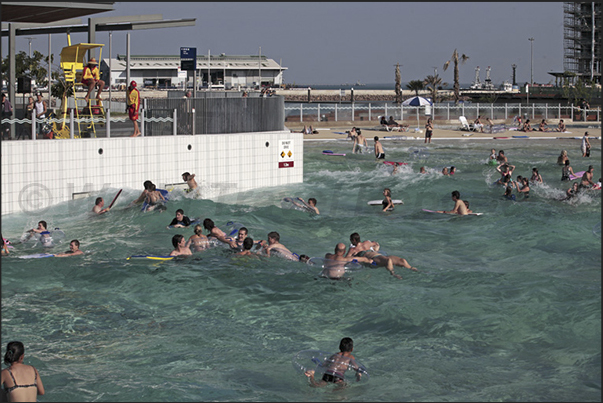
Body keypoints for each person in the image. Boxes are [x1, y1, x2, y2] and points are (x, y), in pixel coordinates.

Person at [346, 233, 417, 279]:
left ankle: (393, 274)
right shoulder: (367, 243)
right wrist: (376, 249)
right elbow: (376, 243)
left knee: (401, 261)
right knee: (391, 260)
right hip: (379, 256)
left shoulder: (353, 249)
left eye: (351, 240)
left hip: (375, 258)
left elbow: (345, 259)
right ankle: (414, 269)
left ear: (354, 240)